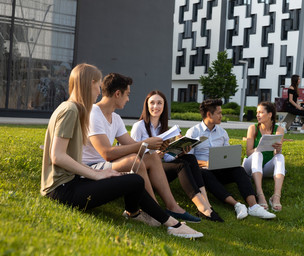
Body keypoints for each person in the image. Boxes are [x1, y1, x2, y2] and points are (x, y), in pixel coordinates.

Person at [41, 64, 202, 239]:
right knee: (134, 171)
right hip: (61, 189)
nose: (99, 90)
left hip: (71, 182)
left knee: (135, 179)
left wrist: (157, 147)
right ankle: (171, 223)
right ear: (91, 83)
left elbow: (134, 147)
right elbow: (57, 156)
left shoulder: (75, 109)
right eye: (98, 86)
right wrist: (95, 174)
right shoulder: (71, 110)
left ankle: (161, 216)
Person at [82, 73, 200, 223]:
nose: (128, 99)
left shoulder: (116, 118)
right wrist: (145, 144)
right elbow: (106, 153)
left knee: (151, 157)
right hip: (90, 168)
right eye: (127, 95)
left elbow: (132, 146)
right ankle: (156, 211)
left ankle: (172, 207)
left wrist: (159, 146)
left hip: (104, 165)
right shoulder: (93, 113)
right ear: (118, 94)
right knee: (133, 161)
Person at [131, 90, 223, 222]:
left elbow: (168, 158)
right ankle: (203, 208)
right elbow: (134, 155)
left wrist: (178, 151)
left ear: (164, 106)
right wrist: (154, 155)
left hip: (161, 172)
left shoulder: (165, 128)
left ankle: (206, 203)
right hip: (145, 172)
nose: (155, 106)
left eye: (159, 103)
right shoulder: (138, 127)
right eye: (152, 103)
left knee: (189, 158)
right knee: (182, 165)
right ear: (146, 105)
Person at [186, 98, 276, 220]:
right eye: (219, 113)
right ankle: (237, 205)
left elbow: (226, 154)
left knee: (239, 169)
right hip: (204, 170)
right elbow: (189, 159)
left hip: (221, 169)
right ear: (209, 114)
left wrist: (229, 160)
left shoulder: (222, 133)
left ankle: (254, 206)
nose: (221, 116)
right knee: (204, 174)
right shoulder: (193, 132)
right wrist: (206, 163)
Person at [243, 102, 285, 212]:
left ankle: (276, 196)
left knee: (280, 157)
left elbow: (276, 154)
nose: (258, 115)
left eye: (261, 112)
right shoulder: (253, 128)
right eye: (257, 112)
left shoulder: (278, 129)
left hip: (265, 167)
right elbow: (248, 153)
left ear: (270, 114)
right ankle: (260, 194)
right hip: (250, 166)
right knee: (257, 154)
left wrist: (278, 149)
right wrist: (259, 148)